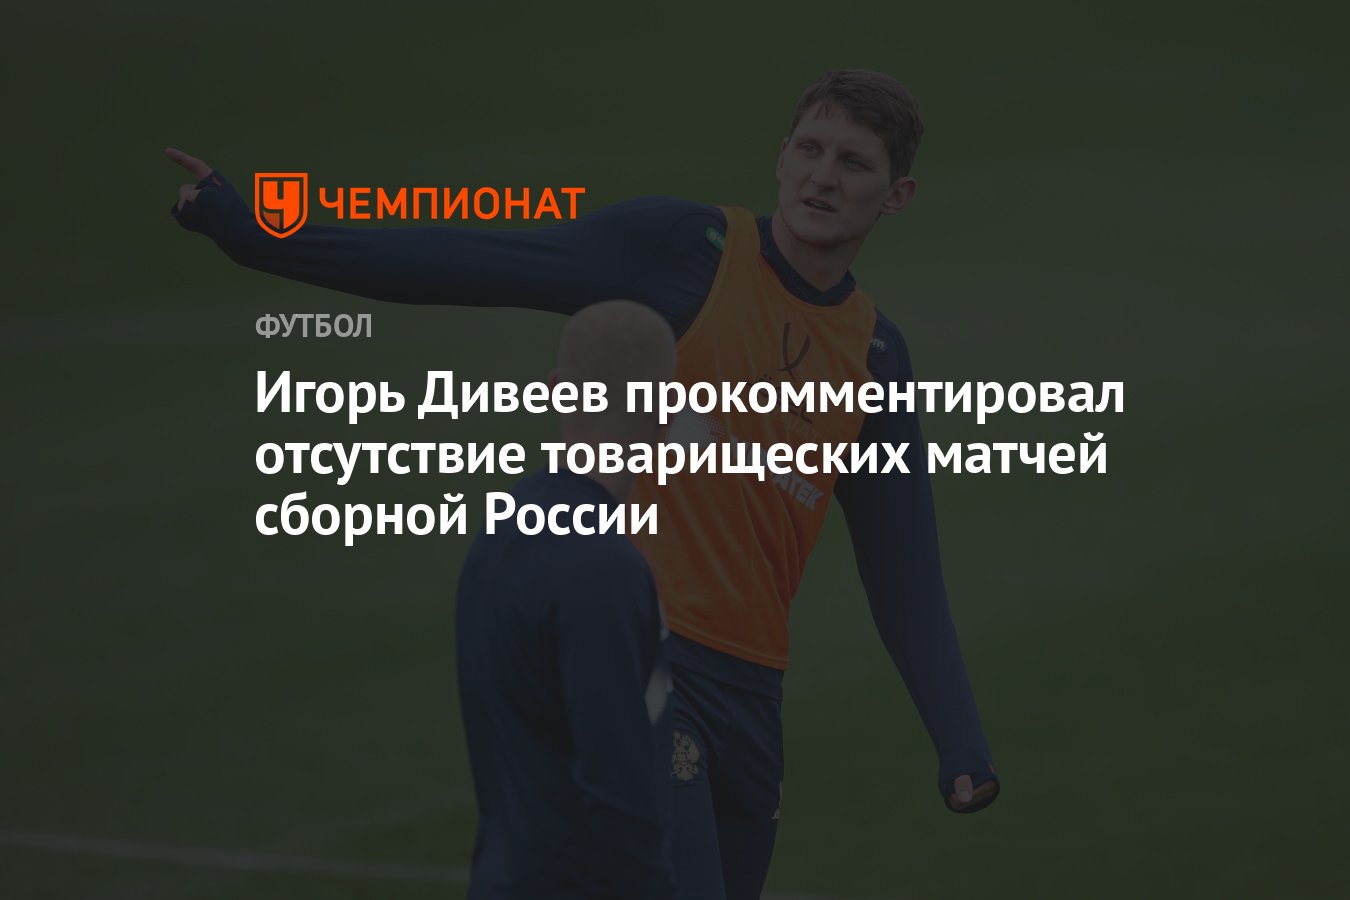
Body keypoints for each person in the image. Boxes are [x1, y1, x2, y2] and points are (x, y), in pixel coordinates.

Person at [168, 68, 1000, 900]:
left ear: (896, 195)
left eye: (853, 163)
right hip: (638, 648)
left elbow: (904, 571)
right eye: (810, 151)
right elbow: (467, 261)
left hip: (753, 693)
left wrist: (959, 741)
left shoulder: (875, 354)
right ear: (781, 156)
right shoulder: (685, 249)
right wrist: (261, 238)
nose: (823, 177)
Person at [455, 301, 677, 899]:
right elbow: (618, 783)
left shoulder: (496, 537)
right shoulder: (609, 568)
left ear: (556, 391)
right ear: (665, 409)